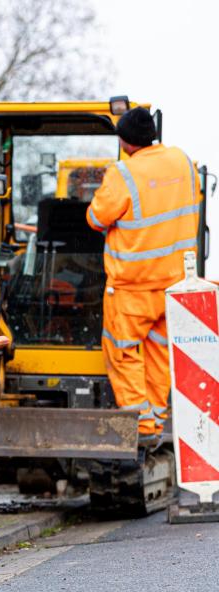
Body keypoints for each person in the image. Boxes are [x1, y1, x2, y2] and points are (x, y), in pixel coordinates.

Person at [86, 106, 200, 443]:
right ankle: (156, 418)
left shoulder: (123, 174)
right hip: (174, 285)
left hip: (133, 287)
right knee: (157, 353)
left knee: (122, 351)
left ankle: (142, 423)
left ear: (124, 142)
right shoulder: (183, 161)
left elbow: (96, 218)